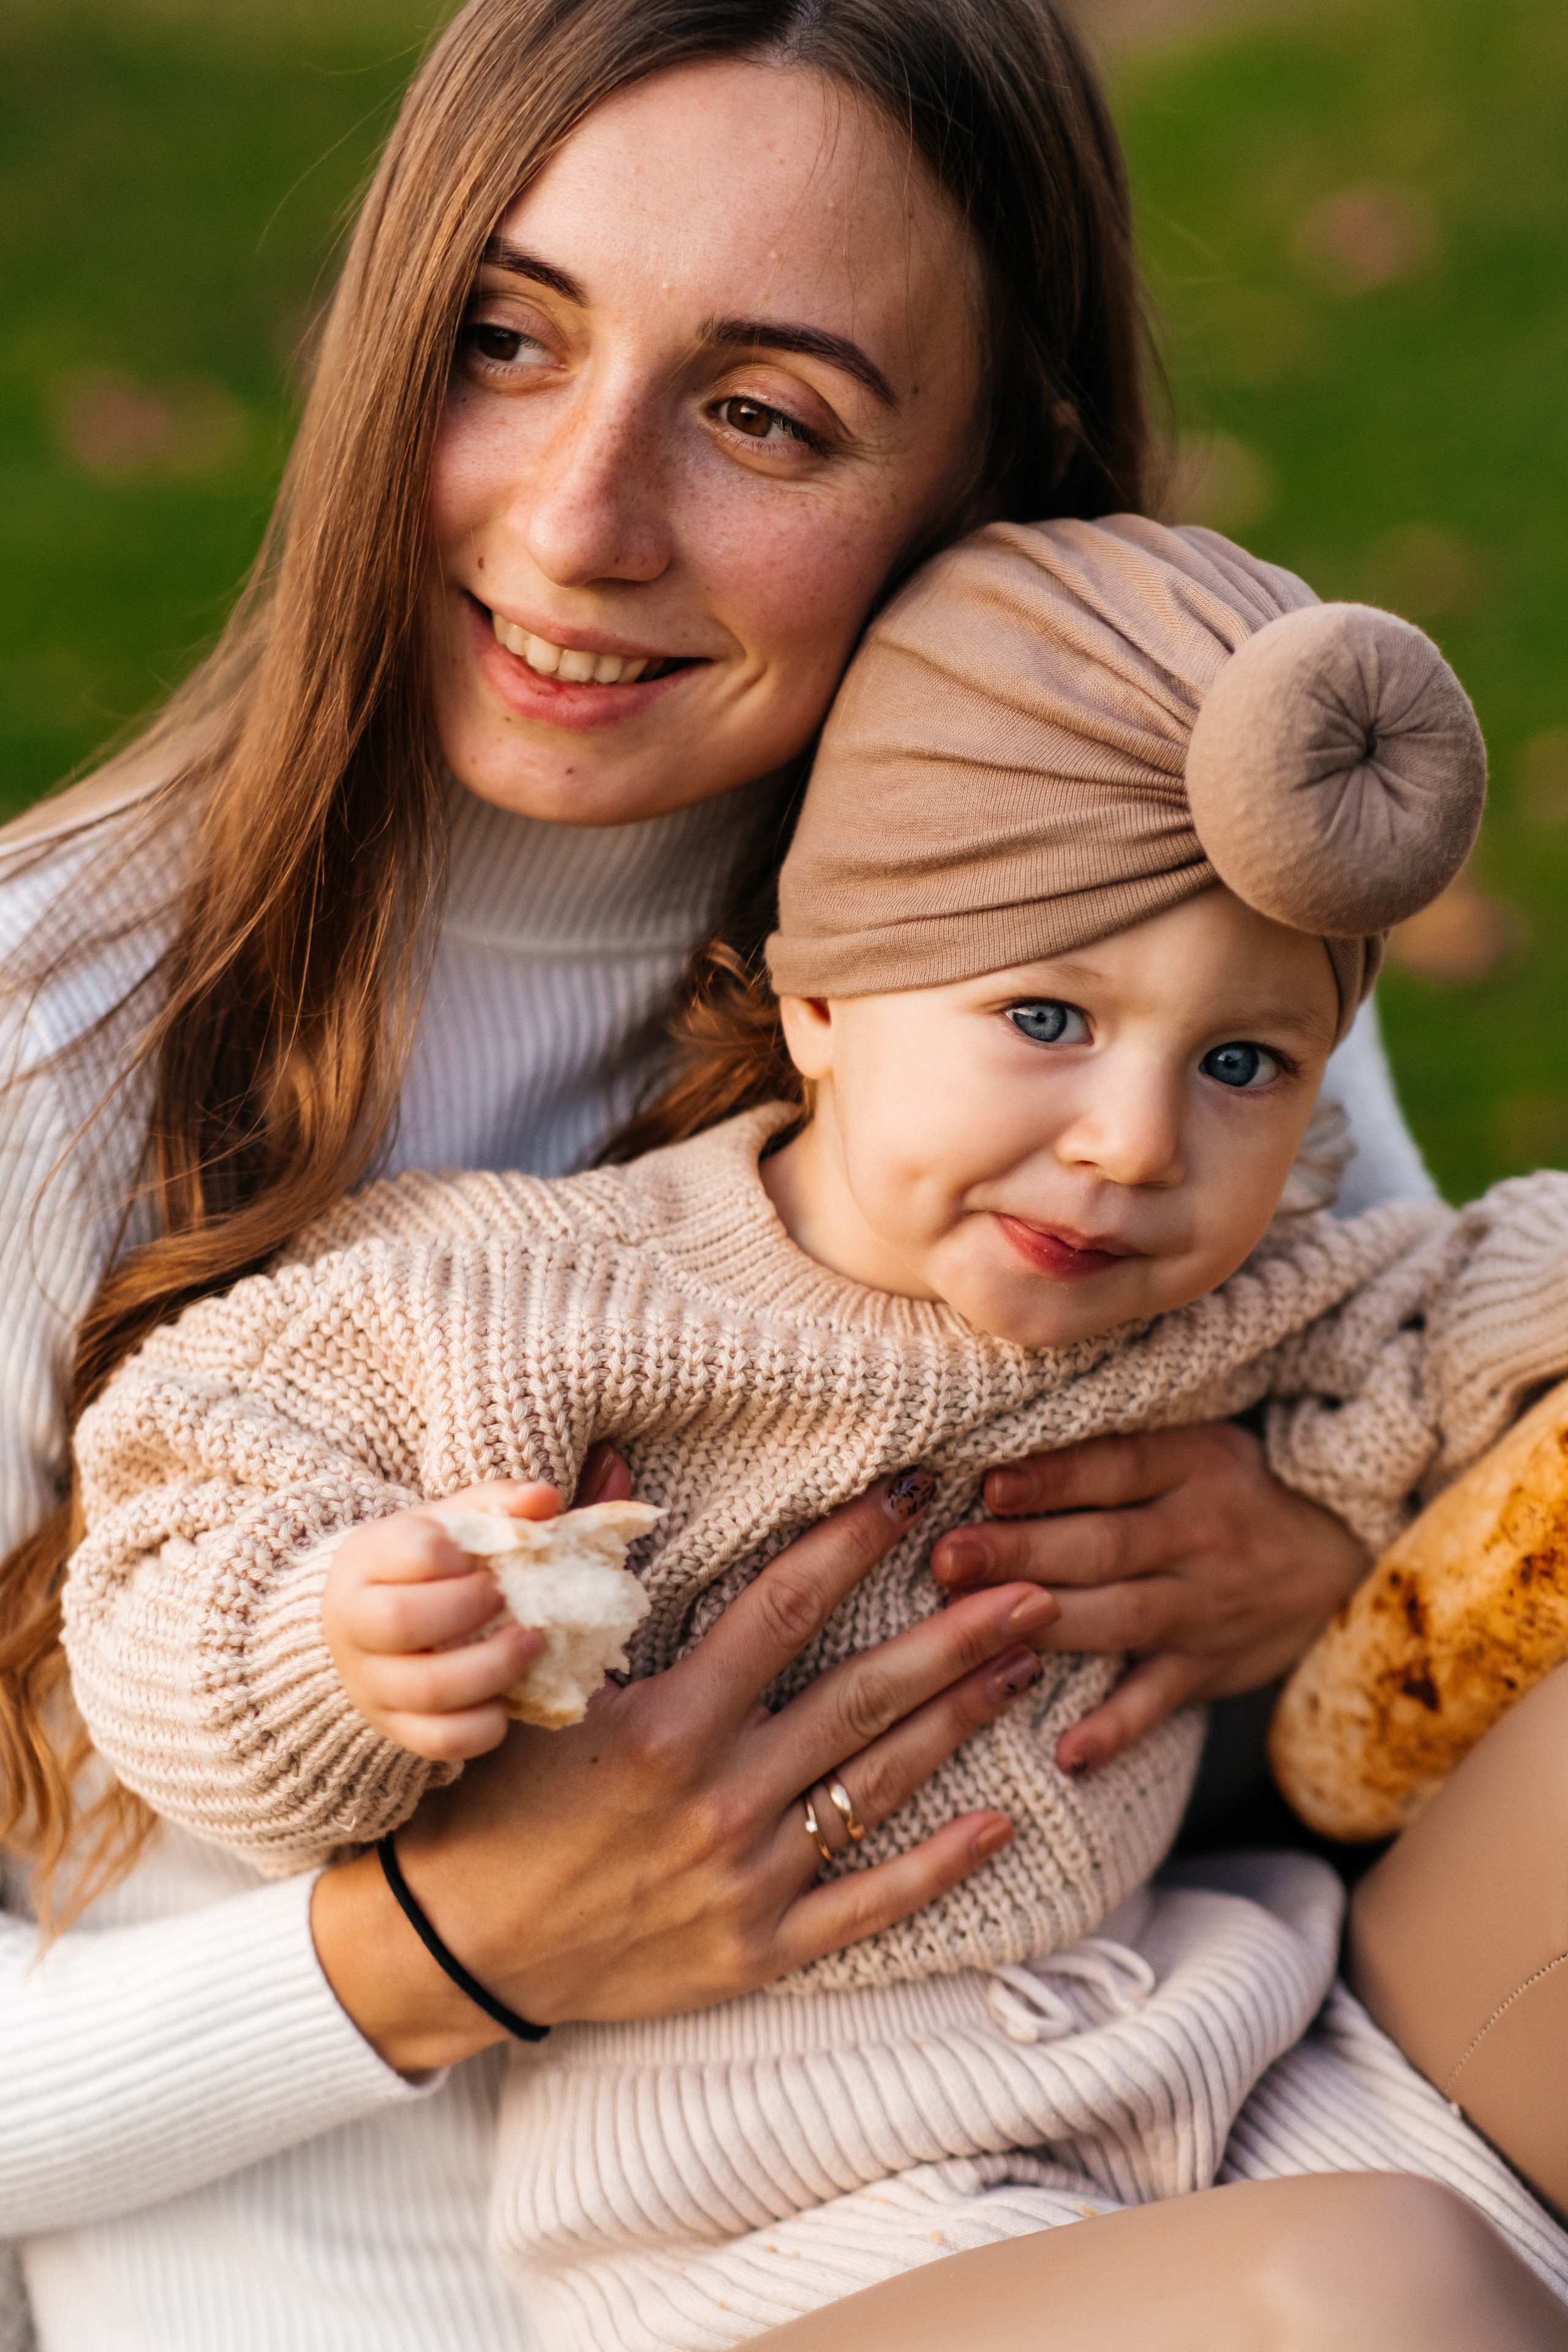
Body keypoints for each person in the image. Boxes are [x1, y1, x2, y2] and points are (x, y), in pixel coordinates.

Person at [0, 1, 1457, 2346]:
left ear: (1000, 468)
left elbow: (1419, 1395)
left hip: (1145, 2123)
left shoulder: (1160, 933)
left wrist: (1318, 1586)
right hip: (508, 2298)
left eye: (766, 414)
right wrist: (443, 1950)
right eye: (506, 340)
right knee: (1360, 2303)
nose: (578, 522)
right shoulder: (49, 1038)